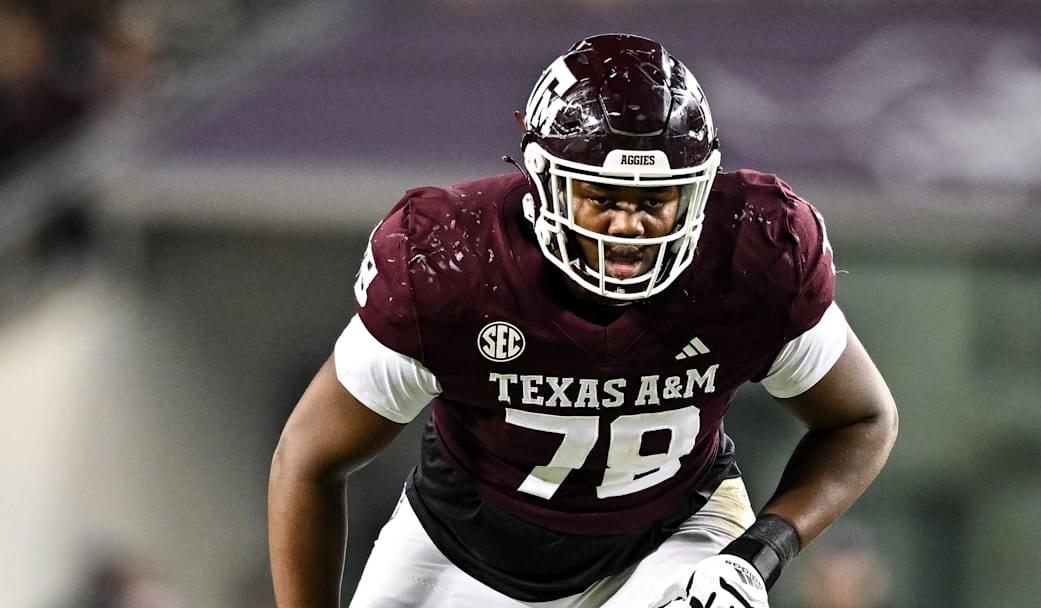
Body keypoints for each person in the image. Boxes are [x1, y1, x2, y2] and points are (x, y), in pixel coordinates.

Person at [268, 33, 898, 608]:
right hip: (460, 551)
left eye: (656, 200)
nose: (629, 225)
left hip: (672, 539)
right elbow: (308, 458)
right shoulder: (452, 264)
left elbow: (863, 419)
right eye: (603, 198)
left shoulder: (752, 258)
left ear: (697, 189)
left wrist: (760, 554)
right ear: (545, 183)